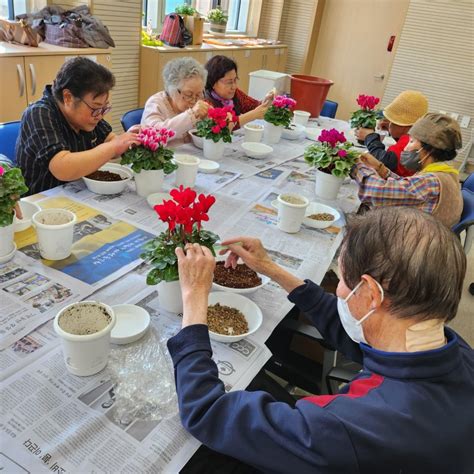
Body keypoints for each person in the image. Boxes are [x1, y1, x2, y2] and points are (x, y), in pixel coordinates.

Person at [168, 207, 473, 474]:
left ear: (369, 293)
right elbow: (357, 334)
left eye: (342, 280)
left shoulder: (347, 428)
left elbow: (206, 411)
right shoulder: (449, 348)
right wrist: (269, 268)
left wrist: (195, 297)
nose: (338, 291)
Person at [16, 57, 139, 196]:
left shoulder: (88, 118)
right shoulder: (39, 113)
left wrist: (129, 141)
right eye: (96, 108)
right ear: (68, 97)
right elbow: (62, 168)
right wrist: (114, 146)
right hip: (40, 201)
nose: (99, 116)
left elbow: (110, 140)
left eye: (104, 108)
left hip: (77, 195)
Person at [352, 113, 463, 228]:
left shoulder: (431, 182)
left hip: (411, 242)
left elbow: (375, 192)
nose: (405, 148)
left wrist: (357, 167)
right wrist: (381, 169)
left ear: (430, 149)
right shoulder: (443, 173)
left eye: (411, 142)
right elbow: (407, 188)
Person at [355, 90, 428, 176]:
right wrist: (391, 131)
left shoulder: (409, 141)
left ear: (403, 125)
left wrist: (370, 137)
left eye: (391, 122)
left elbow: (387, 161)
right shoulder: (416, 137)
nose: (389, 124)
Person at [141, 57, 210, 144]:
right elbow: (154, 135)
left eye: (199, 94)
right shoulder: (155, 103)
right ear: (172, 90)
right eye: (189, 95)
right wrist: (191, 116)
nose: (194, 100)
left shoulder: (198, 104)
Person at [204, 55, 273, 128]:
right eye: (229, 82)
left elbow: (253, 106)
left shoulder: (235, 93)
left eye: (235, 80)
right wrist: (253, 115)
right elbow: (221, 129)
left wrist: (265, 102)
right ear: (213, 83)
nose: (234, 87)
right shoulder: (206, 102)